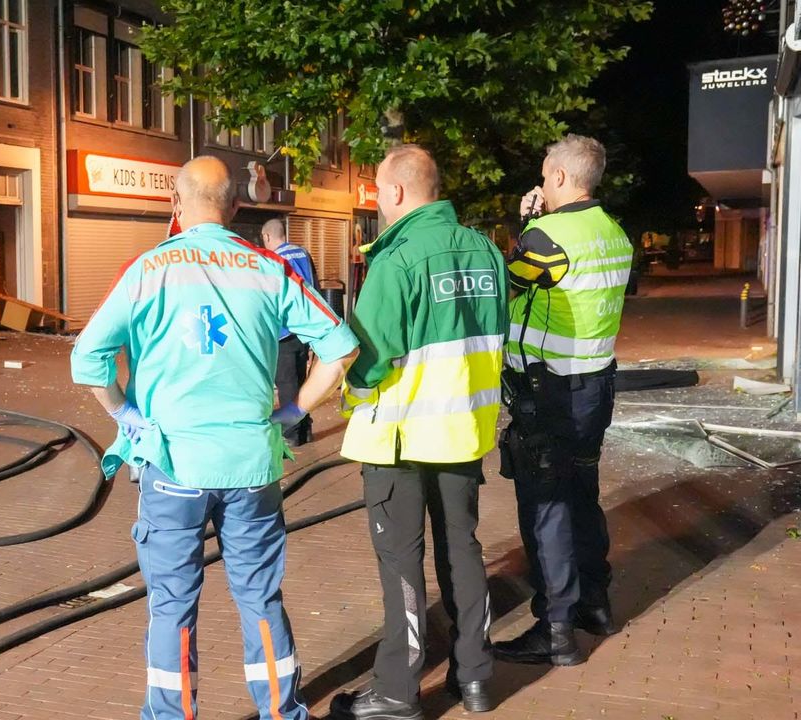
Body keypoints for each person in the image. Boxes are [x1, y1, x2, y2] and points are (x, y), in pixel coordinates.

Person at [71, 156, 358, 720]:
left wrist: (126, 413)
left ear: (174, 205)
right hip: (251, 465)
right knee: (260, 598)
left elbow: (88, 360)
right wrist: (294, 407)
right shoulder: (268, 269)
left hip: (172, 464)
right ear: (235, 207)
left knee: (171, 606)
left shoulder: (148, 270)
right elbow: (340, 348)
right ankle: (282, 712)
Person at [330, 145, 507, 720]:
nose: (378, 201)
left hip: (402, 440)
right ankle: (476, 679)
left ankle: (397, 693)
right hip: (462, 434)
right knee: (464, 552)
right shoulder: (486, 251)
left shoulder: (397, 258)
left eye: (379, 190)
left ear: (399, 192)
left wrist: (344, 396)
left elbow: (368, 359)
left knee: (402, 566)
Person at [494, 134, 630, 666]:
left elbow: (510, 284)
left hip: (546, 389)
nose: (542, 182)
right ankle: (593, 604)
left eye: (545, 173)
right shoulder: (615, 233)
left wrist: (528, 224)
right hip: (594, 386)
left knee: (545, 504)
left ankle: (554, 629)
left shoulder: (548, 235)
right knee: (582, 494)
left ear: (558, 178)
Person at [261, 218, 319, 447]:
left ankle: (293, 435)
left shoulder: (273, 258)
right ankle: (306, 428)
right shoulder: (302, 253)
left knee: (287, 384)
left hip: (283, 331)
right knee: (302, 381)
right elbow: (314, 287)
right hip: (304, 330)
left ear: (267, 237)